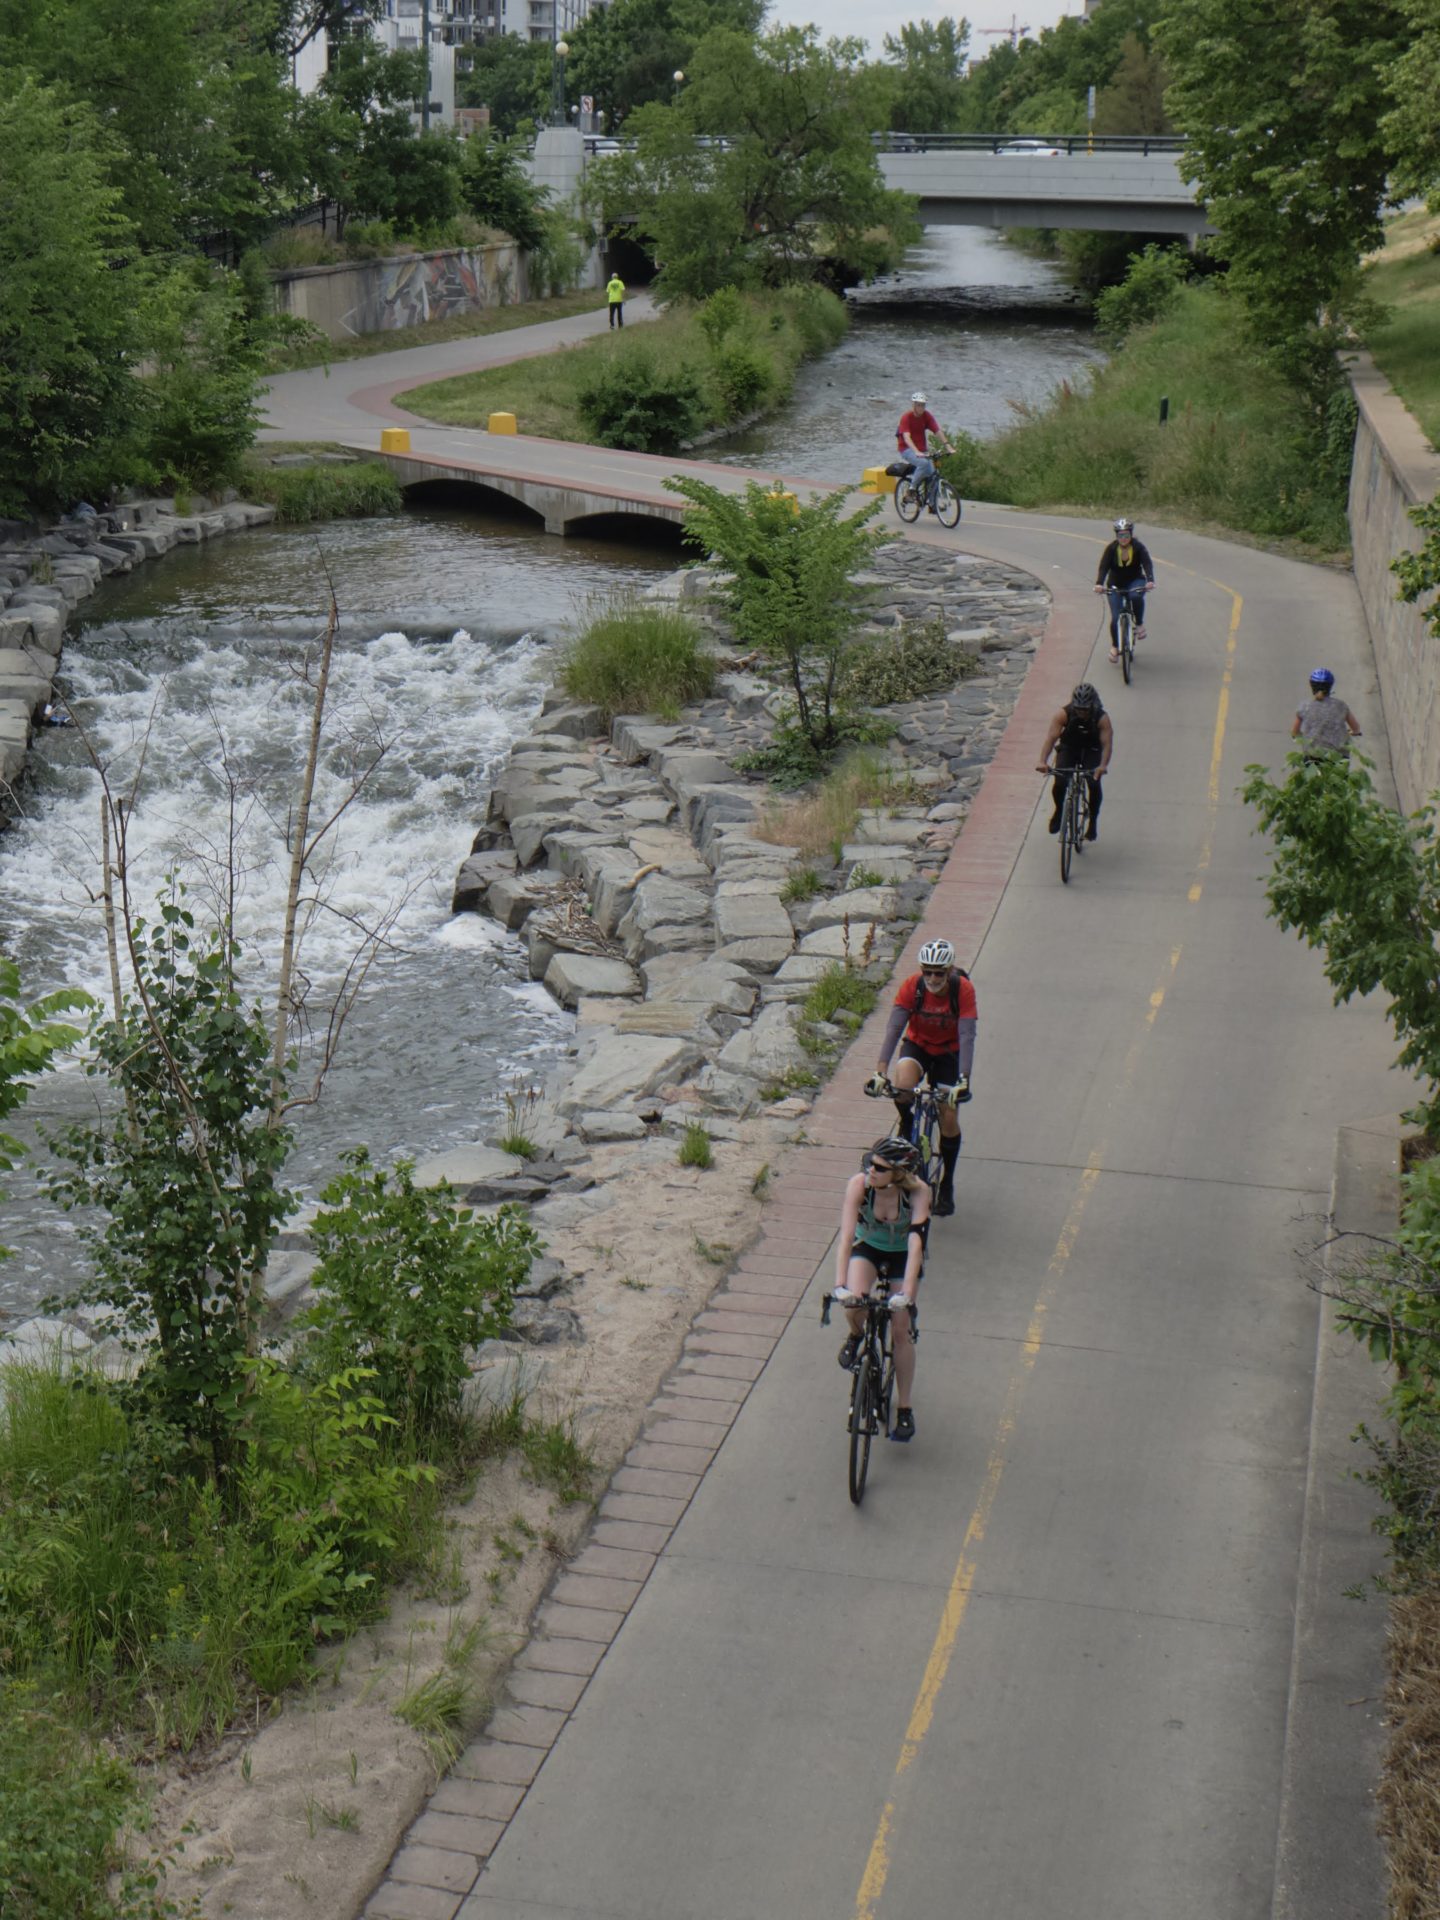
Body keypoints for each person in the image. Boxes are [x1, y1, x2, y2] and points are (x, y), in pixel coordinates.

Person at [866, 938, 975, 1218]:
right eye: (927, 971)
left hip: (950, 1053)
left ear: (949, 971)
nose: (932, 978)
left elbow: (967, 1034)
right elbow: (894, 1029)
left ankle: (947, 1183)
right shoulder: (912, 987)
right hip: (919, 1046)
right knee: (902, 1086)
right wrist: (879, 1072)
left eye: (939, 973)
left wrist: (963, 1080)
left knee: (948, 1116)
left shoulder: (962, 989)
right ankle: (907, 1120)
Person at [832, 1135, 931, 1444]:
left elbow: (916, 1246)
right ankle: (857, 1334)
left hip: (902, 1255)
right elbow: (847, 1237)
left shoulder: (918, 1194)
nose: (870, 1171)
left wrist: (907, 1294)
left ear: (898, 1175)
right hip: (869, 1247)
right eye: (869, 1164)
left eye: (879, 1168)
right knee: (854, 1304)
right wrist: (839, 1286)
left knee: (900, 1330)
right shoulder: (859, 1186)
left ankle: (904, 1407)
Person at [1037, 682, 1112, 841]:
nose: (1081, 713)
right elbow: (1051, 739)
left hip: (1092, 750)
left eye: (1085, 710)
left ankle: (1092, 821)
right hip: (1069, 747)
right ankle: (1059, 810)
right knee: (1060, 782)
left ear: (1092, 706)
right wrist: (1042, 761)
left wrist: (1102, 766)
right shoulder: (1063, 714)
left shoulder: (1102, 718)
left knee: (1093, 783)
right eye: (1078, 709)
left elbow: (1106, 745)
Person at [1094, 515, 1156, 663]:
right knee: (1115, 618)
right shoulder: (1111, 549)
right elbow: (1104, 567)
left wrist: (1150, 580)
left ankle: (1139, 624)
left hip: (1135, 580)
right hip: (1115, 584)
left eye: (1126, 535)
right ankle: (1115, 647)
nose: (1123, 538)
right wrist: (1099, 583)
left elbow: (1147, 563)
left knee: (1136, 596)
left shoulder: (1138, 547)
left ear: (1131, 534)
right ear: (1116, 536)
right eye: (1120, 535)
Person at [895, 391, 952, 513]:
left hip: (922, 450)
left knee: (932, 474)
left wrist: (948, 446)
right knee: (924, 464)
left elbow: (937, 431)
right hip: (907, 449)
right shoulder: (906, 417)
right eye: (919, 405)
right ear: (913, 405)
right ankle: (911, 490)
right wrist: (916, 452)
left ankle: (932, 505)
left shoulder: (927, 416)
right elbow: (906, 437)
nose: (921, 407)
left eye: (923, 405)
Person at [1292, 668, 1362, 755]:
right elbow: (1355, 727)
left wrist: (1299, 737)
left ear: (1312, 686)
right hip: (1337, 754)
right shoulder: (1340, 705)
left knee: (1309, 764)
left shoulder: (1304, 706)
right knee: (1341, 764)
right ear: (1330, 686)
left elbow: (1295, 732)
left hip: (1313, 754)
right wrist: (1355, 732)